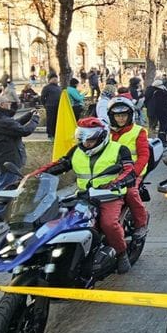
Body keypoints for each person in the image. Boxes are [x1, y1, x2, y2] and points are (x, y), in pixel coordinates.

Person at [32, 117, 138, 273]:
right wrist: (33, 176)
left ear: (101, 137)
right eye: (82, 138)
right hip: (83, 197)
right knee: (65, 223)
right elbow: (59, 165)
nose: (85, 143)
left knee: (109, 224)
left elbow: (130, 170)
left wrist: (117, 182)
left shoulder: (119, 149)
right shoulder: (77, 151)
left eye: (90, 139)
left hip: (109, 196)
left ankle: (121, 254)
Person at [0, 91, 40, 222]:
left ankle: (1, 211)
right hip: (9, 159)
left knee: (3, 183)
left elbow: (14, 125)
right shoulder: (1, 121)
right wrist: (35, 119)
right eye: (8, 103)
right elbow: (24, 131)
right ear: (2, 105)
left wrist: (28, 115)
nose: (10, 105)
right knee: (6, 186)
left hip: (0, 157)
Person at [105, 98, 150, 239]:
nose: (121, 118)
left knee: (130, 193)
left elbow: (143, 155)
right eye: (117, 115)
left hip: (133, 172)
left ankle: (141, 224)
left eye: (124, 115)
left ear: (130, 115)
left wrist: (133, 173)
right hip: (109, 172)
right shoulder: (106, 132)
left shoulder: (138, 131)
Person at [40, 74, 61, 139]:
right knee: (50, 120)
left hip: (58, 106)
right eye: (53, 78)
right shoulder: (46, 87)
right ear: (50, 80)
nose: (55, 80)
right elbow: (42, 97)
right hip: (50, 106)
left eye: (56, 78)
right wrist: (45, 105)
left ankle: (55, 133)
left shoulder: (59, 87)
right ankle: (50, 134)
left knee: (56, 120)